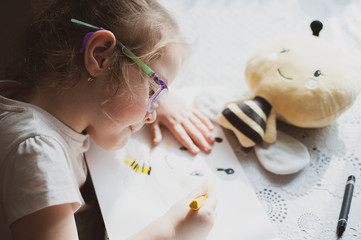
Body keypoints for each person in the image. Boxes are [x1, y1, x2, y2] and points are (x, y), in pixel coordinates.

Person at [0, 0, 217, 239]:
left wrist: (160, 97)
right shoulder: (36, 152)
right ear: (100, 56)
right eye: (153, 92)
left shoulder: (44, 102)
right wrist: (172, 229)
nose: (151, 114)